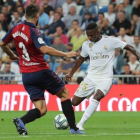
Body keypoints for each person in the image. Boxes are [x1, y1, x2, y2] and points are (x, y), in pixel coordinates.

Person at [0, 4, 85, 135]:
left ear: (24, 15)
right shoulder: (33, 30)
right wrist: (65, 54)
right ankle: (73, 128)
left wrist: (11, 55)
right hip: (41, 71)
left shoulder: (15, 28)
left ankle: (21, 121)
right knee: (64, 94)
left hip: (27, 76)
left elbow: (2, 43)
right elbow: (44, 49)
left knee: (42, 109)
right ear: (37, 16)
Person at [65, 22, 140, 130]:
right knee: (74, 102)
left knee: (98, 96)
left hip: (105, 78)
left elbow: (128, 46)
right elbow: (81, 58)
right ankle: (71, 116)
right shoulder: (86, 44)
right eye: (88, 35)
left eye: (92, 35)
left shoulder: (110, 41)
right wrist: (71, 73)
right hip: (90, 78)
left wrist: (138, 56)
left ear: (98, 32)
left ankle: (80, 124)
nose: (90, 37)